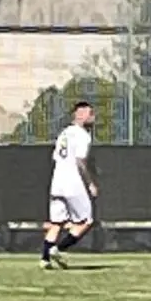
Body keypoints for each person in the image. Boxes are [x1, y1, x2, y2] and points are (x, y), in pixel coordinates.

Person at [43, 101, 98, 269]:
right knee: (86, 221)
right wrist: (90, 184)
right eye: (90, 114)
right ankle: (58, 249)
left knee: (56, 223)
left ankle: (44, 259)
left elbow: (57, 157)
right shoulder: (82, 135)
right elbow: (80, 161)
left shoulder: (64, 133)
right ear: (80, 114)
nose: (93, 118)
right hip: (72, 182)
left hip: (57, 181)